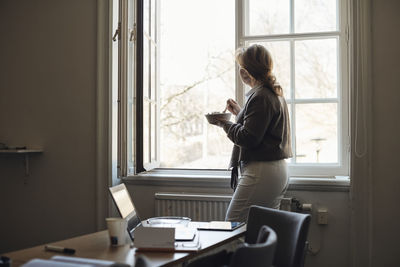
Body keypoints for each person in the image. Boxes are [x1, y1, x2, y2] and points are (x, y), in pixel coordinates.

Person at [209, 44, 292, 222]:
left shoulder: (261, 95)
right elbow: (260, 127)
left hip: (262, 170)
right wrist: (240, 112)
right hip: (276, 169)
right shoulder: (273, 92)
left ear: (245, 71)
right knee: (262, 226)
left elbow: (249, 138)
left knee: (234, 223)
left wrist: (225, 124)